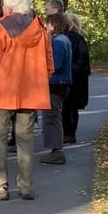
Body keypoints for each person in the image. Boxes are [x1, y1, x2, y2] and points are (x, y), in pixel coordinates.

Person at [0, 0, 53, 201]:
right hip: (29, 93)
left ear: (8, 7)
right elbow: (49, 64)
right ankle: (26, 187)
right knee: (25, 141)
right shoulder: (39, 30)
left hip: (1, 92)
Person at [41, 12, 73, 165]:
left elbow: (56, 63)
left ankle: (56, 150)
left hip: (56, 83)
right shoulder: (62, 40)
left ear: (54, 25)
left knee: (52, 116)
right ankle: (54, 149)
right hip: (59, 82)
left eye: (47, 24)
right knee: (52, 115)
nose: (45, 27)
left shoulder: (58, 41)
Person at [63, 14, 91, 144]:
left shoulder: (73, 38)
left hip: (73, 78)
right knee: (70, 107)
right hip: (76, 77)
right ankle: (69, 132)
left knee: (68, 107)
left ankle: (69, 133)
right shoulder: (76, 38)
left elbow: (81, 60)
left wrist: (69, 71)